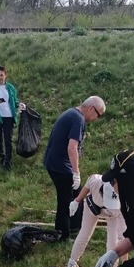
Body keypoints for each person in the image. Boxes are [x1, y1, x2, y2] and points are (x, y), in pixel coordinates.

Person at [43, 96, 106, 241]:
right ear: (91, 109)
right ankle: (62, 235)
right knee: (66, 200)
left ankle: (75, 225)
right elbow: (72, 147)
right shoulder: (78, 119)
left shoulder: (71, 113)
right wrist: (76, 172)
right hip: (60, 166)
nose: (97, 118)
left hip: (55, 163)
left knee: (77, 194)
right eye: (98, 114)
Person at [65, 175, 125, 267]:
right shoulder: (96, 181)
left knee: (113, 244)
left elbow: (124, 240)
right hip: (92, 209)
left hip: (113, 216)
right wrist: (77, 201)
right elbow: (87, 186)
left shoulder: (121, 205)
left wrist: (126, 265)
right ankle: (72, 263)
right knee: (84, 234)